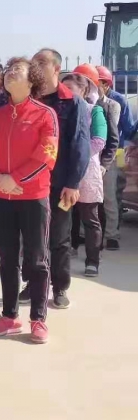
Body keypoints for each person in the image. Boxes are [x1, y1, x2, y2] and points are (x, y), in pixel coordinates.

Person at [0, 57, 57, 344]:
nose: (10, 73)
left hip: (33, 196)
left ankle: (38, 318)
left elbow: (47, 154)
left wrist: (16, 179)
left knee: (36, 259)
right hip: (1, 197)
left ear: (32, 79)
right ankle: (10, 315)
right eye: (9, 70)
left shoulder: (45, 114)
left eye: (18, 70)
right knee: (7, 259)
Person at [20, 50, 90, 309]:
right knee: (31, 237)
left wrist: (73, 183)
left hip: (60, 184)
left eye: (42, 62)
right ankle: (33, 283)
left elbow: (80, 144)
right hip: (30, 183)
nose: (35, 66)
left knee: (59, 238)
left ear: (56, 68)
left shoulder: (73, 103)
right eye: (34, 62)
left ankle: (60, 287)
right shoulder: (28, 98)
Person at [62, 66, 107, 278]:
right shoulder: (60, 111)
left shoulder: (94, 111)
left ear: (83, 90)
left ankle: (92, 261)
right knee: (63, 216)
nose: (66, 92)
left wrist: (78, 156)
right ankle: (65, 253)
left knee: (90, 218)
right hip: (64, 172)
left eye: (70, 88)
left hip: (87, 172)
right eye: (64, 88)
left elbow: (99, 141)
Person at [97, 66, 133, 250]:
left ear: (106, 84)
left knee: (114, 191)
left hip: (117, 151)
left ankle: (112, 233)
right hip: (95, 152)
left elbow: (128, 128)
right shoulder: (88, 100)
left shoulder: (119, 100)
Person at [94, 66, 122, 252]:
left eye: (97, 83)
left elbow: (112, 137)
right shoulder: (83, 104)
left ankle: (111, 235)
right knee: (87, 200)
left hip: (107, 159)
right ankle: (83, 233)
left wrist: (104, 164)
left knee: (109, 198)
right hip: (90, 159)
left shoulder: (113, 105)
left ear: (105, 85)